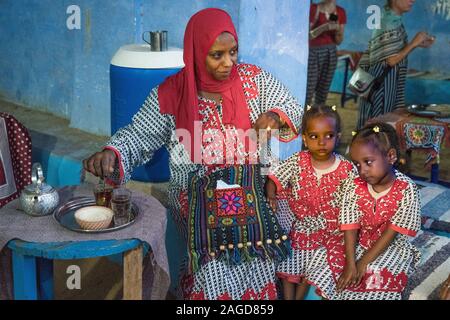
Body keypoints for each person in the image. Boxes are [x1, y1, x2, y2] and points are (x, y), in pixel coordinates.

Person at [83, 8, 303, 300]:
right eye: (217, 55)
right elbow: (137, 136)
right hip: (198, 198)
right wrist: (113, 152)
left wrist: (275, 117)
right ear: (197, 50)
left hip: (254, 192)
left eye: (233, 52)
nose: (229, 63)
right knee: (213, 268)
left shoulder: (255, 80)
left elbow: (293, 110)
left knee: (262, 258)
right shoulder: (173, 92)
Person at [308, 122, 421, 300]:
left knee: (377, 277)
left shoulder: (407, 189)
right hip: (357, 243)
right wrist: (351, 263)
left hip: (388, 247)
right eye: (357, 164)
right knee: (327, 266)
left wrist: (362, 264)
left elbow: (391, 233)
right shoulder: (354, 186)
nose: (362, 171)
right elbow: (350, 225)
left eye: (368, 162)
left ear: (390, 156)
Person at [265, 105, 356, 300]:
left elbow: (353, 206)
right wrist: (271, 195)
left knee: (317, 265)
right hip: (300, 228)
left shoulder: (347, 169)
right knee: (289, 263)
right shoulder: (298, 161)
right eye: (314, 136)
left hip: (331, 232)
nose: (321, 142)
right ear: (304, 139)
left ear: (338, 137)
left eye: (328, 136)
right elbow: (274, 179)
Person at [356, 0, 435, 129]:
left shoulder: (393, 19)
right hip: (382, 85)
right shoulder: (387, 21)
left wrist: (416, 45)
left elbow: (393, 53)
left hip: (387, 82)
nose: (412, 0)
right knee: (377, 126)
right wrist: (413, 43)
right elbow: (391, 60)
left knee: (381, 126)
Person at [305, 0, 346, 106]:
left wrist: (338, 31)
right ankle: (303, 116)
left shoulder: (340, 12)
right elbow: (306, 34)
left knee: (323, 89)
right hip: (313, 51)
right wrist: (323, 27)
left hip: (330, 52)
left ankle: (317, 115)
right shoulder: (314, 9)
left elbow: (339, 41)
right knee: (309, 89)